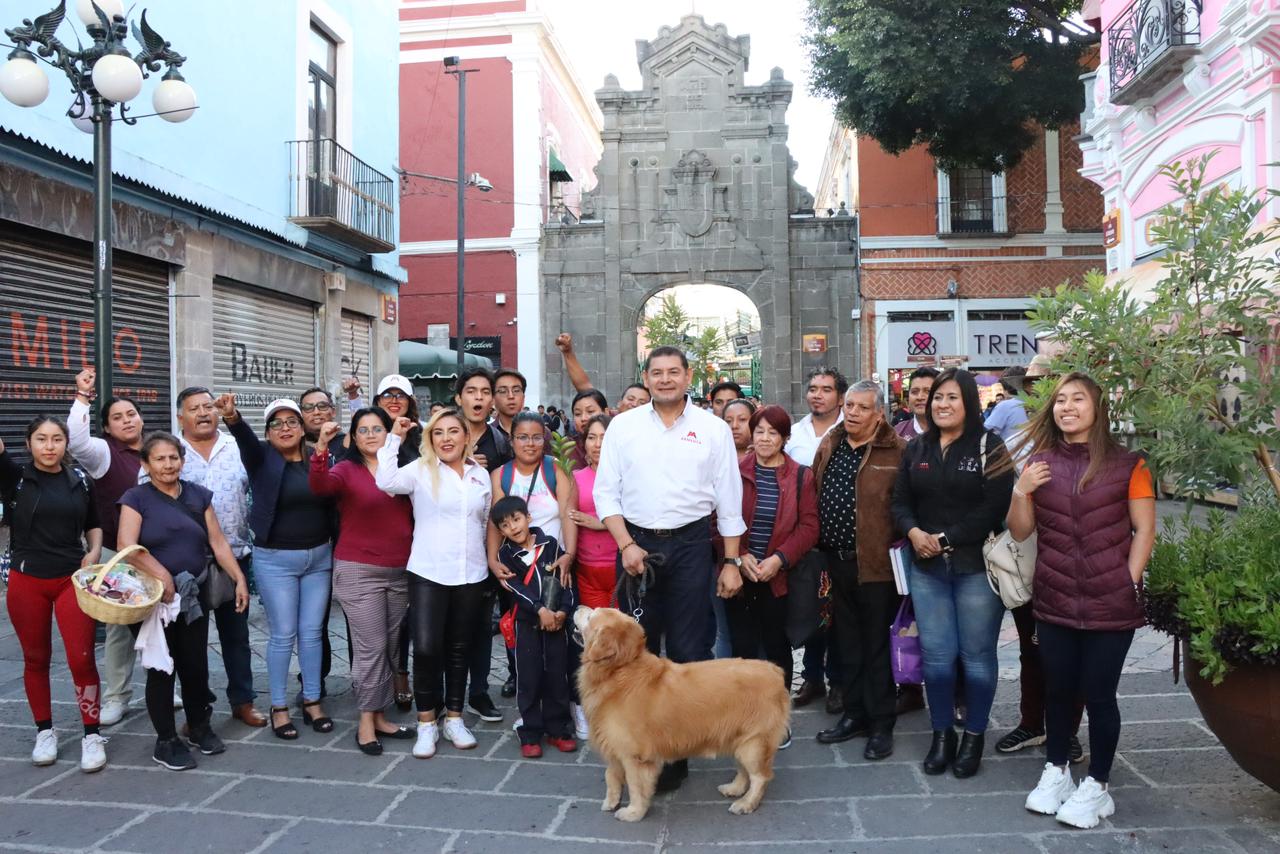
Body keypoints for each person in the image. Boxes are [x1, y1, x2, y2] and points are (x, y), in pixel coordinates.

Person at [594, 345, 745, 793]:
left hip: (693, 545)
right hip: (638, 545)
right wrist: (626, 545)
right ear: (645, 375)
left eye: (673, 372)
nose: (664, 379)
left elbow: (729, 500)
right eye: (656, 372)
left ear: (688, 376)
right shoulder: (622, 427)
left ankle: (677, 751)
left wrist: (732, 561)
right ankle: (634, 742)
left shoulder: (712, 429)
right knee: (632, 651)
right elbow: (607, 494)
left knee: (689, 649)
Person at [1010, 372, 1156, 829]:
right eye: (1059, 400)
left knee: (1099, 695)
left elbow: (1145, 529)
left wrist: (1126, 581)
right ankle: (1057, 771)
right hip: (1053, 598)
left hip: (1109, 602)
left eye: (1077, 399)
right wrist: (1021, 489)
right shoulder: (1039, 462)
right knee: (1057, 691)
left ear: (1097, 408)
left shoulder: (1129, 464)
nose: (1066, 407)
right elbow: (1019, 531)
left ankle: (1097, 785)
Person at [891, 368, 1015, 779]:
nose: (942, 404)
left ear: (969, 403)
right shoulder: (917, 448)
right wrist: (912, 531)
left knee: (976, 659)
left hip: (976, 569)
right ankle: (941, 733)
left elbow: (994, 508)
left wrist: (945, 538)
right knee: (937, 658)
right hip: (926, 570)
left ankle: (973, 735)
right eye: (937, 398)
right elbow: (900, 501)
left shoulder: (989, 446)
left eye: (952, 398)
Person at [118, 432, 250, 771]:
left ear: (182, 460)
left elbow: (218, 543)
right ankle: (165, 740)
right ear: (146, 464)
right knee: (162, 667)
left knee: (195, 664)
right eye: (159, 459)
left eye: (173, 458)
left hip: (193, 595)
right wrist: (161, 574)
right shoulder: (136, 498)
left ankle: (199, 727)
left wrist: (239, 579)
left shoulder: (197, 496)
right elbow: (126, 546)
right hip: (153, 598)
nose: (167, 465)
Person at [376, 408, 491, 758]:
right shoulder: (420, 471)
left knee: (460, 648)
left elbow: (485, 522)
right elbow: (386, 481)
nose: (446, 438)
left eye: (453, 431)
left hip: (471, 573)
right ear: (430, 440)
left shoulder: (481, 476)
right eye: (438, 433)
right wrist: (394, 436)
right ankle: (426, 722)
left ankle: (453, 717)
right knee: (426, 647)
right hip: (428, 572)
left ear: (466, 437)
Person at [220, 395, 335, 740]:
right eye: (276, 424)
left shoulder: (319, 457)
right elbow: (240, 434)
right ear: (268, 432)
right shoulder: (260, 457)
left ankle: (313, 700)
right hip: (275, 561)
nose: (285, 429)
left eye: (292, 422)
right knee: (284, 634)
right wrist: (232, 417)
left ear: (302, 428)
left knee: (313, 632)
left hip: (319, 558)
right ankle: (280, 706)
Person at [1, 418, 106, 772]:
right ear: (28, 444)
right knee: (35, 658)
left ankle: (92, 734)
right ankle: (44, 731)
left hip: (71, 580)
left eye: (57, 439)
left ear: (66, 444)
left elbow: (94, 523)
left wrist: (93, 551)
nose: (49, 446)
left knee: (81, 659)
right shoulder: (13, 479)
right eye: (41, 439)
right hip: (26, 580)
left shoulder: (80, 481)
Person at [309, 409, 415, 755]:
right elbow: (320, 486)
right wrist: (322, 448)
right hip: (358, 570)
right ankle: (366, 721)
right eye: (363, 430)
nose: (371, 435)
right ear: (353, 438)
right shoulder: (346, 470)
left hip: (399, 570)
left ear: (390, 433)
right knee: (370, 647)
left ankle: (381, 714)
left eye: (378, 429)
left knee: (389, 645)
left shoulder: (403, 467)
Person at [811, 382, 907, 761]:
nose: (852, 412)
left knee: (877, 647)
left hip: (877, 567)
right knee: (846, 644)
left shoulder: (896, 451)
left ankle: (882, 723)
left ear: (879, 413)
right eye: (849, 405)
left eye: (862, 408)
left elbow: (903, 506)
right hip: (836, 562)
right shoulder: (831, 443)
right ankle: (854, 715)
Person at [171, 387, 265, 728]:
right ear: (181, 416)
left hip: (233, 555)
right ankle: (199, 706)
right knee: (189, 643)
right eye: (193, 408)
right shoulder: (170, 451)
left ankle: (243, 701)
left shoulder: (235, 446)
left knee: (236, 637)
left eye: (208, 406)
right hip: (184, 563)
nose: (203, 413)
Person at [722, 405, 819, 724]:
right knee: (743, 647)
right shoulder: (734, 471)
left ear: (785, 438)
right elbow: (717, 519)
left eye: (772, 432)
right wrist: (739, 556)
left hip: (779, 577)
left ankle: (777, 718)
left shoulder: (801, 475)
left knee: (777, 647)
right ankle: (746, 717)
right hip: (740, 573)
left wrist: (779, 559)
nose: (764, 438)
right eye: (759, 431)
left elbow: (809, 526)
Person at [484, 411, 579, 722]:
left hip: (553, 566)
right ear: (511, 441)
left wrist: (570, 554)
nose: (530, 443)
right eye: (522, 437)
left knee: (558, 637)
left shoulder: (556, 470)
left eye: (536, 436)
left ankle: (563, 710)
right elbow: (496, 520)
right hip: (519, 568)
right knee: (525, 636)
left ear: (546, 439)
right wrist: (493, 559)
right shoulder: (502, 475)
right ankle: (528, 710)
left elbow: (568, 513)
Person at [65, 367, 146, 727]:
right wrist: (83, 396)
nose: (126, 420)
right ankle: (116, 696)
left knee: (167, 623)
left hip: (159, 552)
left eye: (131, 413)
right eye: (117, 417)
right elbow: (76, 441)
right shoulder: (103, 453)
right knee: (118, 628)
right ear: (108, 428)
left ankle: (165, 683)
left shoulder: (159, 448)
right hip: (118, 553)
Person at [492, 495, 578, 758]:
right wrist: (540, 610)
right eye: (505, 525)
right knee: (528, 678)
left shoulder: (550, 545)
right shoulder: (505, 555)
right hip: (526, 624)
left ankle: (558, 729)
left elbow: (565, 580)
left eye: (516, 519)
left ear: (528, 518)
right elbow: (515, 589)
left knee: (557, 676)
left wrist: (563, 611)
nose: (513, 528)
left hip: (556, 624)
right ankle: (530, 732)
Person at [785, 367, 848, 713]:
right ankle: (810, 676)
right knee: (811, 609)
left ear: (840, 397)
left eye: (825, 389)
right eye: (812, 388)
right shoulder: (794, 435)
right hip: (805, 539)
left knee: (837, 613)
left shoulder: (850, 431)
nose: (817, 395)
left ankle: (837, 680)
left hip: (841, 537)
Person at [567, 415, 616, 610]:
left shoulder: (625, 477)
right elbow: (567, 517)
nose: (597, 444)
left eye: (604, 438)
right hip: (587, 570)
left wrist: (602, 523)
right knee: (594, 633)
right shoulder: (575, 478)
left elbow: (639, 517)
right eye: (591, 437)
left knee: (620, 633)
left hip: (620, 567)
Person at [984, 368, 1029, 442]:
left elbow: (985, 432)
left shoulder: (1005, 406)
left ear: (1005, 387)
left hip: (1011, 452)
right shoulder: (1037, 403)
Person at [894, 367, 939, 441]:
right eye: (914, 392)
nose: (920, 397)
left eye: (928, 391)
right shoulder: (897, 433)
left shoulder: (952, 433)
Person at [568, 389, 608, 468]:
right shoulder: (568, 447)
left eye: (590, 411)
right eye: (578, 414)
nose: (583, 418)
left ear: (606, 412)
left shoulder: (617, 443)